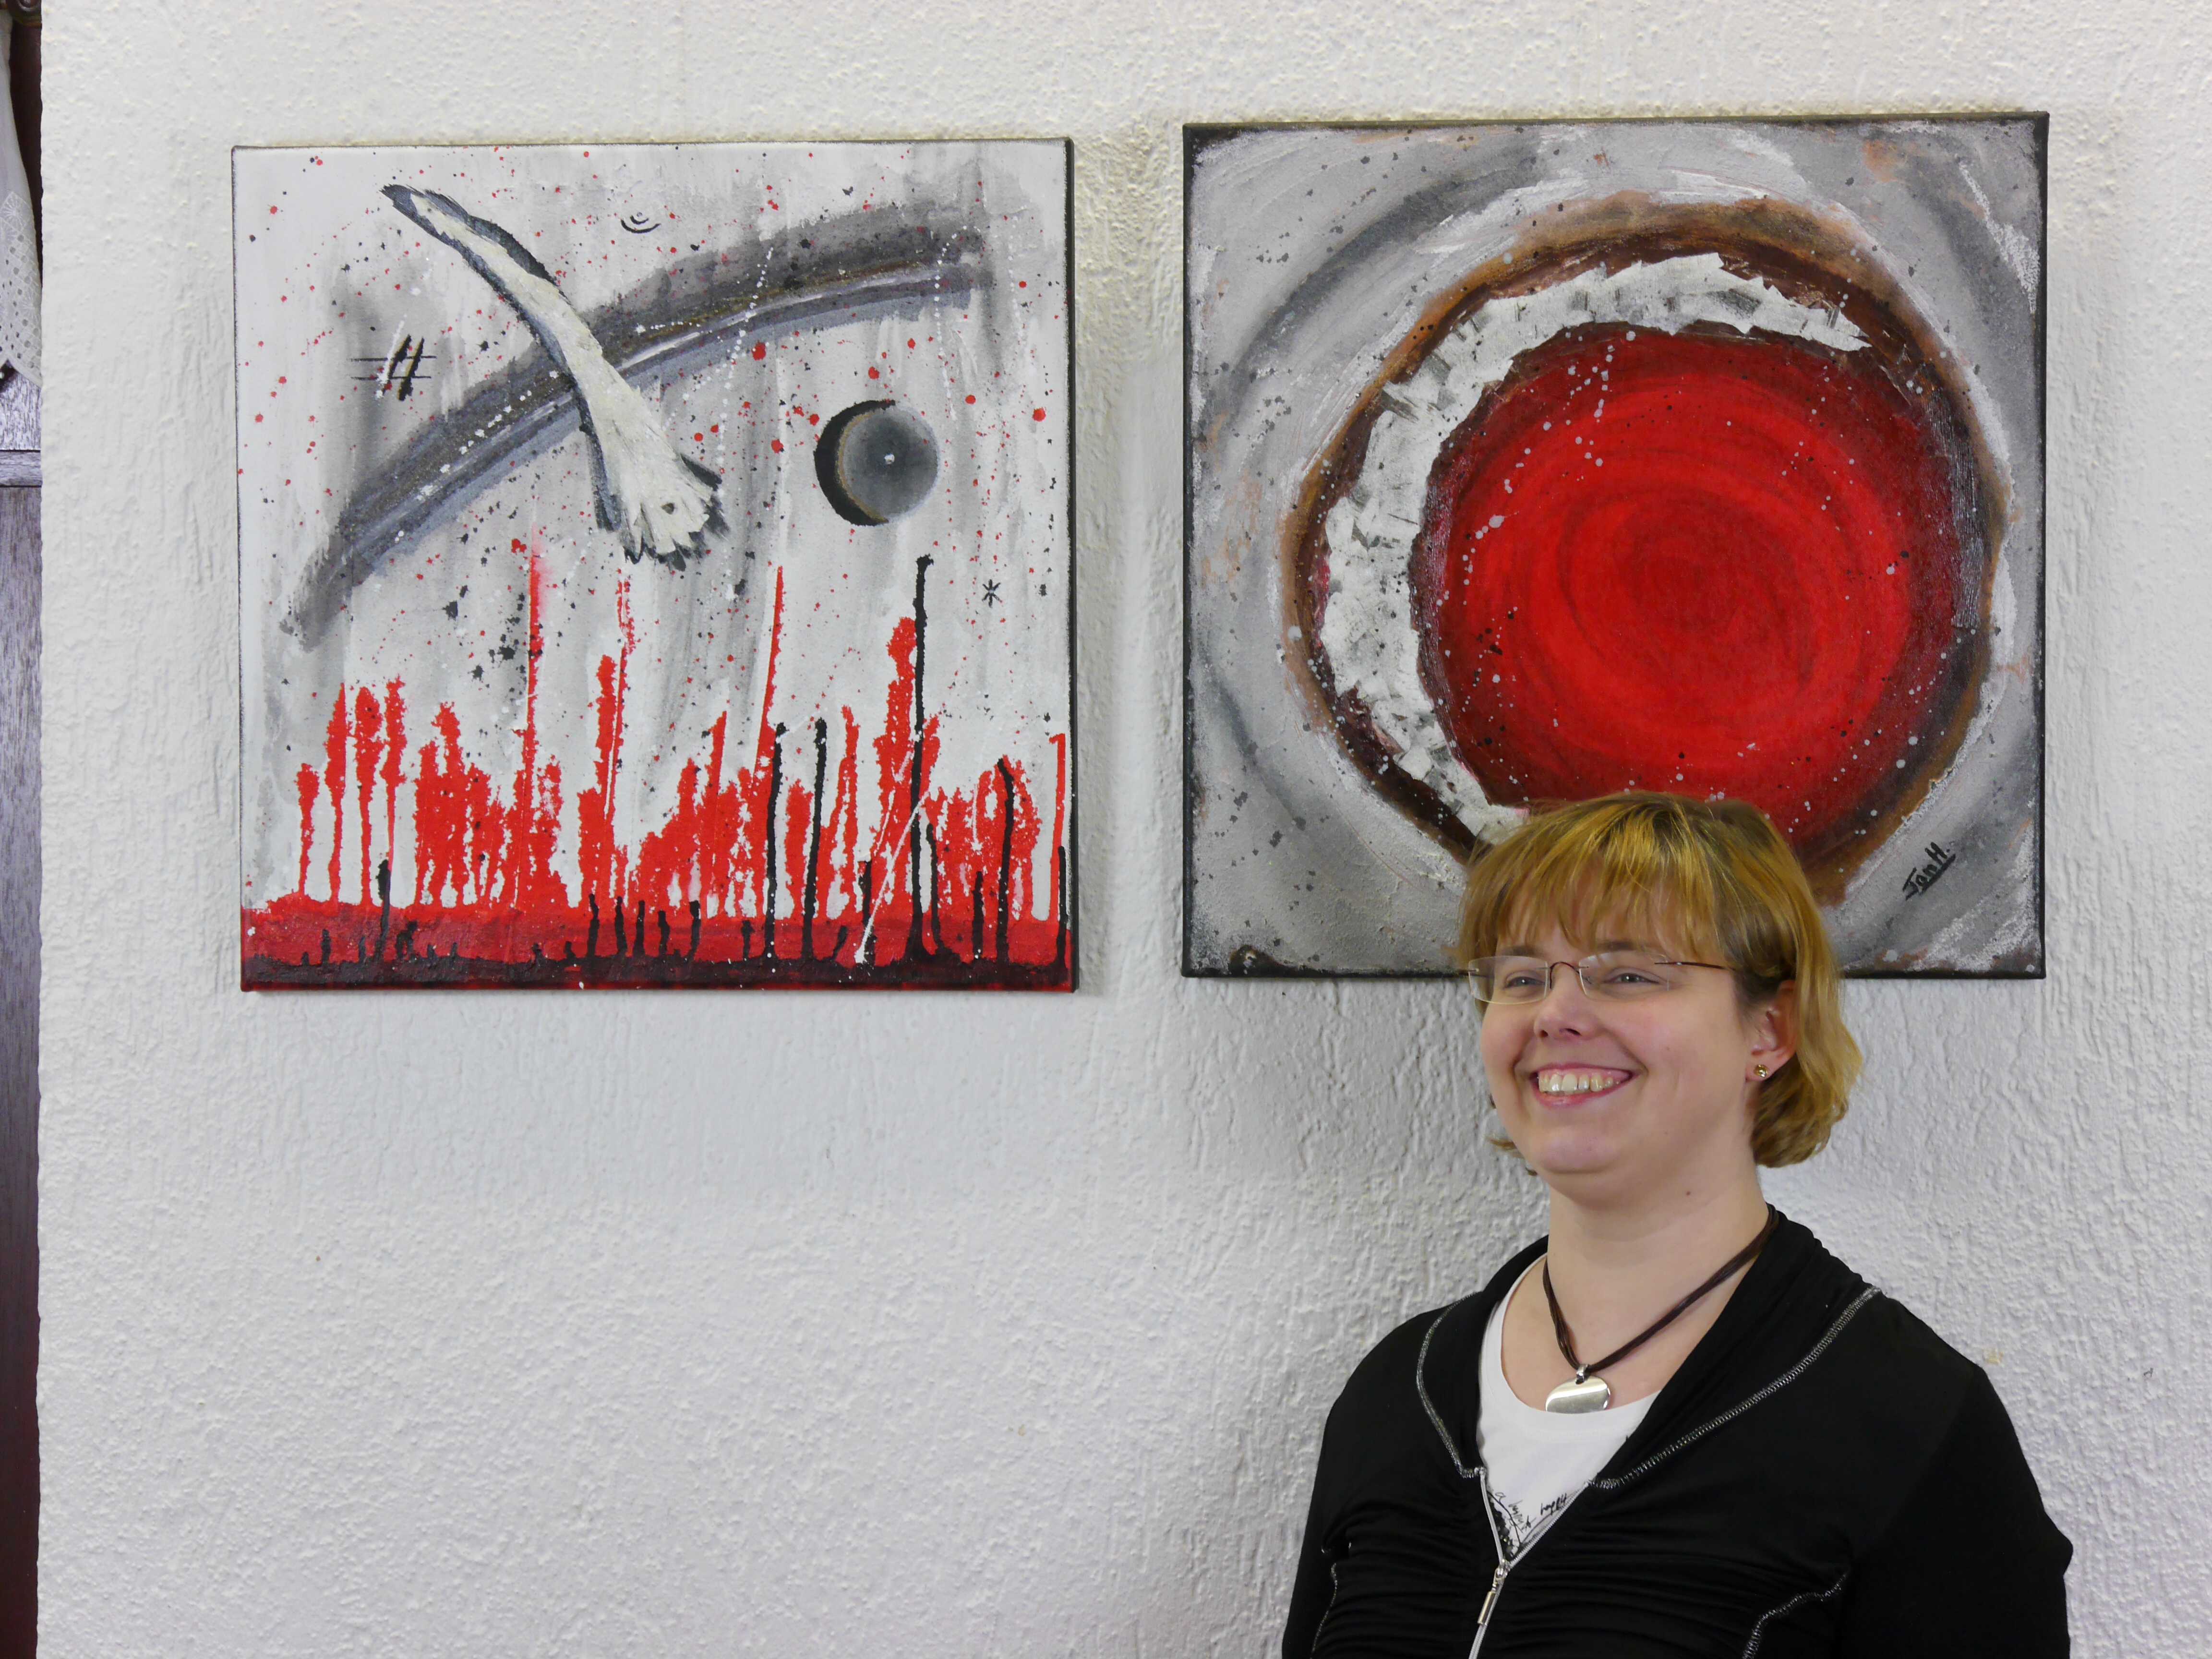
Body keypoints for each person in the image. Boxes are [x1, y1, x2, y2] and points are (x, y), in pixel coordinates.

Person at [1280, 793, 2070, 1657]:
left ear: (1769, 1029)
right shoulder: (1398, 1394)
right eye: (1522, 977)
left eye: (1628, 974)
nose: (1554, 1014)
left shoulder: (1910, 1423)